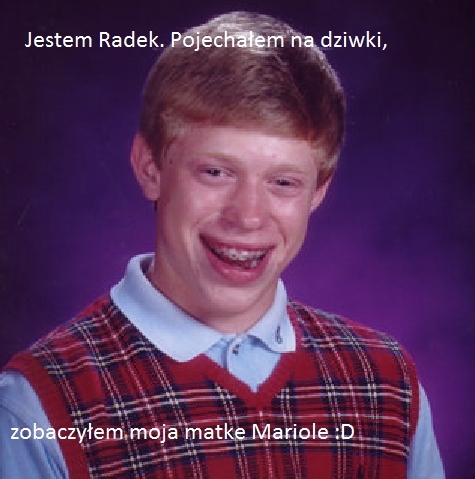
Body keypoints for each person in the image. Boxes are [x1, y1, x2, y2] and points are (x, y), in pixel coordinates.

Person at [0, 11, 444, 479]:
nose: (248, 216)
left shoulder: (387, 385)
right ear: (150, 167)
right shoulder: (37, 407)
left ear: (318, 191)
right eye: (215, 172)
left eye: (283, 182)